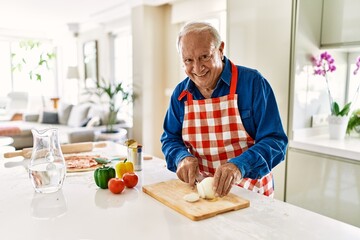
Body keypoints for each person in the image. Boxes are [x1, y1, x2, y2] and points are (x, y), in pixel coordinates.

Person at [160, 22, 288, 198]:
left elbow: (276, 141)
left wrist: (239, 166)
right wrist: (181, 158)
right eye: (188, 60)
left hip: (251, 193)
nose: (197, 69)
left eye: (204, 56)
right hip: (203, 194)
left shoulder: (253, 83)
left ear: (220, 50)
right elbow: (170, 139)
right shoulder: (180, 95)